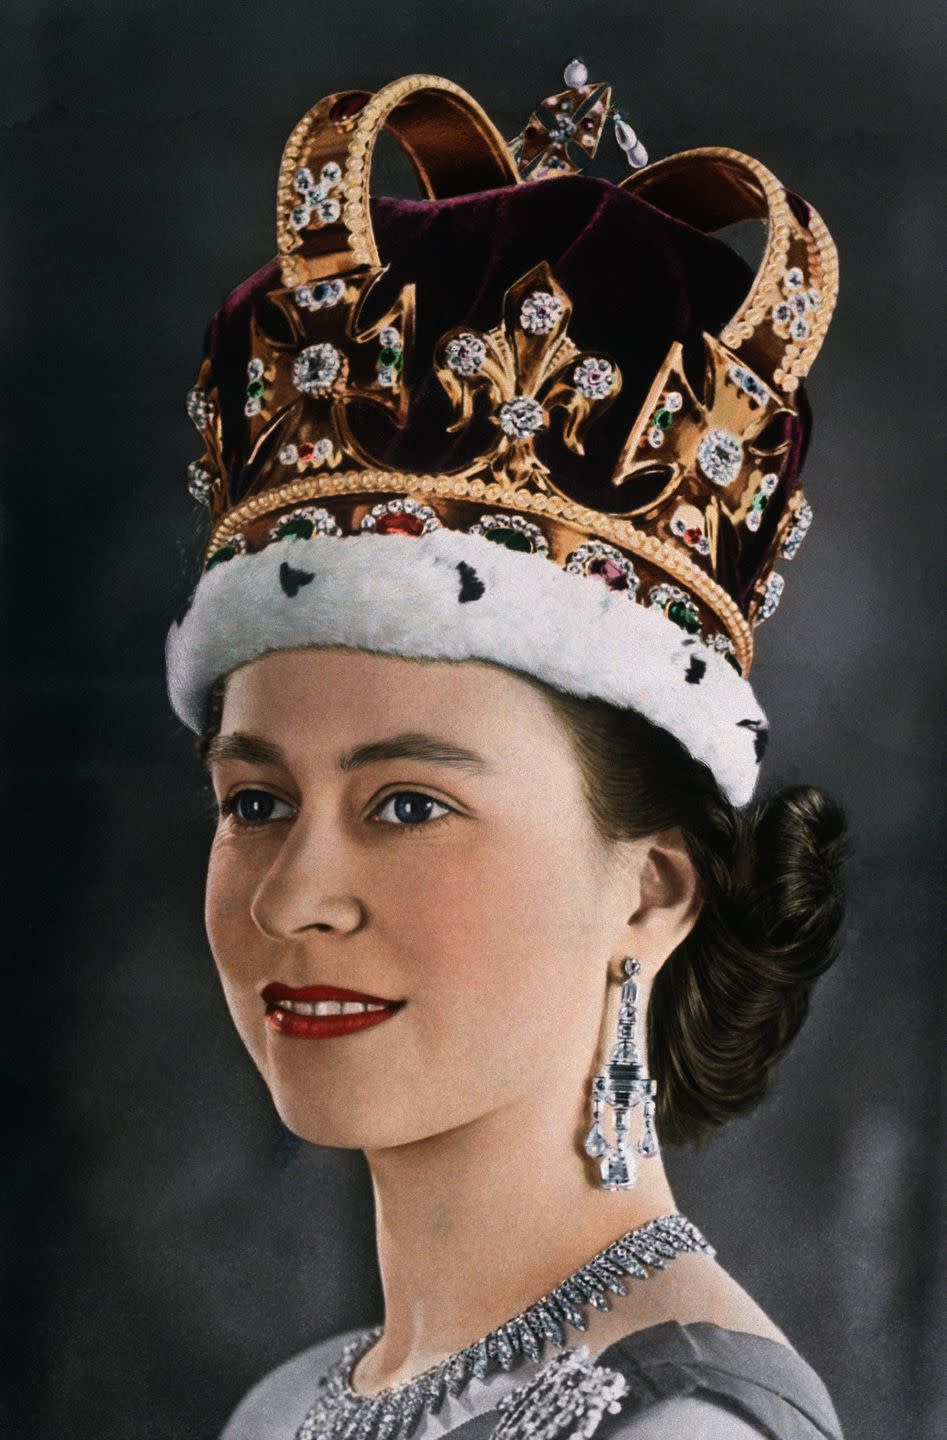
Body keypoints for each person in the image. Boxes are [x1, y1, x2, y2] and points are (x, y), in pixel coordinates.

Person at [166, 63, 848, 1440]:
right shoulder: (287, 1408)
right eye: (255, 800)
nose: (292, 898)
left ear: (654, 888)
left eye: (408, 802)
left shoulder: (679, 1430)